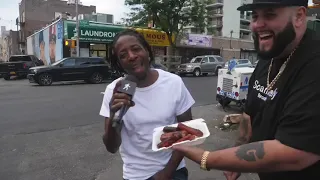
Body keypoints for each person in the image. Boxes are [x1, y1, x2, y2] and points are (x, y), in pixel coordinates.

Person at [172, 0, 320, 180]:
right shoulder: (270, 56)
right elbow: (249, 115)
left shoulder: (313, 63)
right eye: (255, 16)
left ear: (299, 16)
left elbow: (296, 152)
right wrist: (237, 152)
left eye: (270, 15)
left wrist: (207, 158)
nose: (257, 25)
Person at [99, 29, 195, 180]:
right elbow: (111, 147)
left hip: (173, 170)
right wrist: (113, 117)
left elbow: (188, 133)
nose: (131, 56)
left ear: (147, 51)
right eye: (123, 55)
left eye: (136, 49)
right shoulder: (114, 91)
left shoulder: (173, 82)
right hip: (135, 175)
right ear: (119, 64)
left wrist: (166, 174)